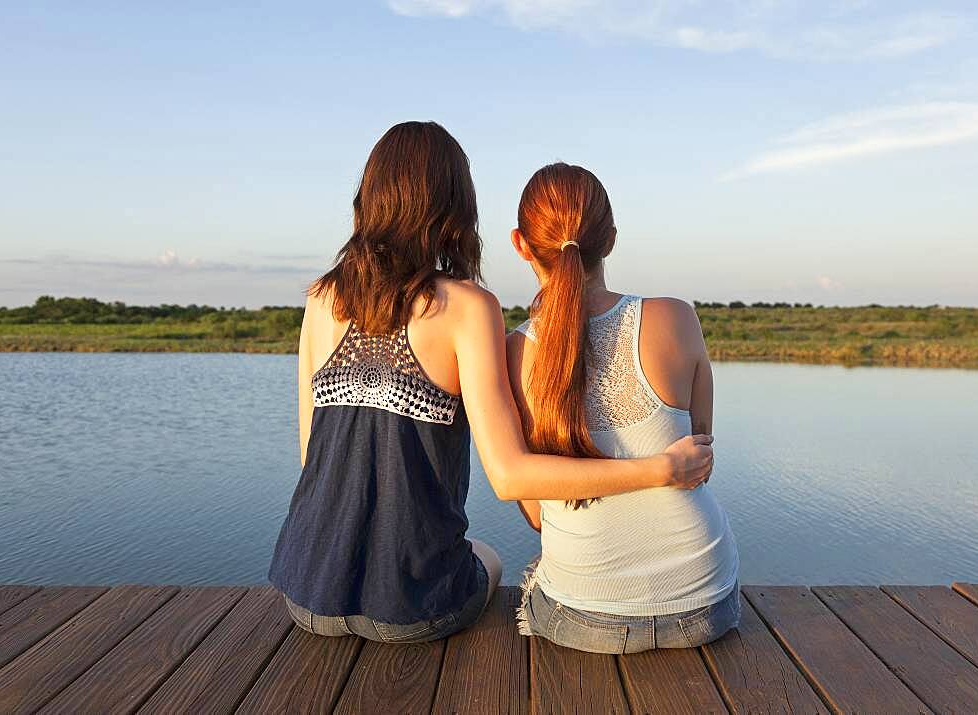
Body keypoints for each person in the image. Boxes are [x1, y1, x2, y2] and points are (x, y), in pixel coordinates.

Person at [267, 123, 716, 644]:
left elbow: (311, 456)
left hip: (308, 595)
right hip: (415, 610)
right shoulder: (468, 307)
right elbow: (510, 477)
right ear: (455, 210)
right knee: (491, 556)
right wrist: (660, 468)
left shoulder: (320, 299)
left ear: (368, 198)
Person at [506, 162, 740, 654]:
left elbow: (535, 513)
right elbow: (700, 463)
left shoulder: (514, 351)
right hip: (704, 603)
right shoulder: (676, 317)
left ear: (521, 245)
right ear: (610, 239)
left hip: (585, 614)